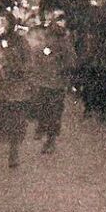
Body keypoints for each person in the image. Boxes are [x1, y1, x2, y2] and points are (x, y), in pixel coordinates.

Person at [0, 10, 33, 169]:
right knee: (0, 117)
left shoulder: (20, 41)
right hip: (0, 88)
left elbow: (29, 64)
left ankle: (14, 150)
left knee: (16, 120)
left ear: (10, 24)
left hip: (18, 89)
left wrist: (12, 67)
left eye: (3, 21)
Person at [27, 10, 77, 154]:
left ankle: (45, 132)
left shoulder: (46, 38)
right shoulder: (64, 41)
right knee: (54, 112)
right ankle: (50, 139)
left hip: (46, 81)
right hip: (55, 83)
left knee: (46, 109)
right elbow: (72, 62)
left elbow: (36, 56)